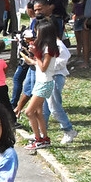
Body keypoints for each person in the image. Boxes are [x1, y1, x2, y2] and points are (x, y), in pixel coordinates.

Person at [20, 20, 58, 150]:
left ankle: (38, 139)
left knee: (29, 112)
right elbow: (38, 64)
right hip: (41, 82)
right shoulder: (46, 47)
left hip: (44, 83)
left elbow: (43, 67)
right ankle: (44, 138)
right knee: (38, 112)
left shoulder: (48, 49)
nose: (36, 33)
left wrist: (36, 55)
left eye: (38, 31)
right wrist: (30, 55)